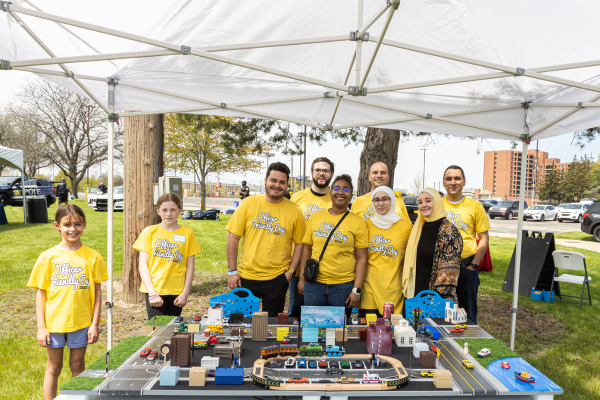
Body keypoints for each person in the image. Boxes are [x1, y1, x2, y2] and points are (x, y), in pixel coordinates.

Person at [28, 205, 107, 400]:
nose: (73, 229)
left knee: (78, 366)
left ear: (84, 225)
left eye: (78, 224)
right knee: (54, 366)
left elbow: (98, 294)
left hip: (81, 322)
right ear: (57, 226)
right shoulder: (47, 257)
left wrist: (94, 324)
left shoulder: (93, 257)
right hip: (54, 323)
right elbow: (41, 294)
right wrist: (41, 327)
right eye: (67, 224)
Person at [226, 162, 305, 317]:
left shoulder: (295, 210)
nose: (277, 185)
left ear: (287, 184)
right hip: (245, 277)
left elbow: (300, 244)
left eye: (282, 182)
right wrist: (232, 271)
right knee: (241, 325)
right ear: (265, 180)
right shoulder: (248, 204)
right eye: (273, 180)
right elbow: (233, 239)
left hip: (277, 278)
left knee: (271, 328)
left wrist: (290, 273)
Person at [298, 174, 368, 317]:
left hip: (343, 286)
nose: (340, 192)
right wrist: (301, 279)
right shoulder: (316, 217)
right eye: (336, 188)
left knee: (337, 331)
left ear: (351, 195)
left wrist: (357, 290)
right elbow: (307, 249)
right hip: (314, 284)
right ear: (330, 193)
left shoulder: (358, 222)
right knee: (313, 325)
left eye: (346, 189)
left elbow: (361, 258)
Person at [134, 193, 200, 319]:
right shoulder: (149, 232)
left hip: (177, 291)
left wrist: (185, 293)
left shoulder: (187, 233)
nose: (168, 214)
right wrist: (152, 292)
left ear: (179, 211)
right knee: (157, 330)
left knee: (172, 330)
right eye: (164, 210)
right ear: (158, 211)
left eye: (173, 210)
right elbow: (143, 265)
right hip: (155, 290)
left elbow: (190, 266)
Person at [442, 165, 490, 323]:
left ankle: (469, 344)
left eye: (457, 178)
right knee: (441, 312)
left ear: (464, 182)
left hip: (467, 265)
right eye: (449, 178)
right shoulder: (436, 205)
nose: (453, 182)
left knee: (468, 314)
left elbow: (483, 239)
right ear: (443, 182)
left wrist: (474, 266)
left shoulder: (475, 206)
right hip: (442, 267)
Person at [288, 157, 334, 317]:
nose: (322, 173)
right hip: (299, 263)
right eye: (318, 170)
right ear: (312, 173)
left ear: (331, 174)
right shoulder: (297, 198)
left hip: (326, 265)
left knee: (320, 316)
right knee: (295, 314)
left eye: (326, 170)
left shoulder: (336, 199)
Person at [402, 188, 463, 307]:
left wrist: (434, 300)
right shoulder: (419, 226)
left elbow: (449, 273)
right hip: (416, 286)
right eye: (420, 202)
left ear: (438, 202)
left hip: (433, 293)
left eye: (428, 201)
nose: (424, 205)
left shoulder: (449, 231)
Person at [360, 186, 412, 317]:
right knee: (370, 331)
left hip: (394, 290)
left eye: (385, 199)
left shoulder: (406, 227)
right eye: (376, 200)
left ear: (392, 201)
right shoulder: (364, 224)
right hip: (368, 289)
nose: (380, 203)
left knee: (392, 333)